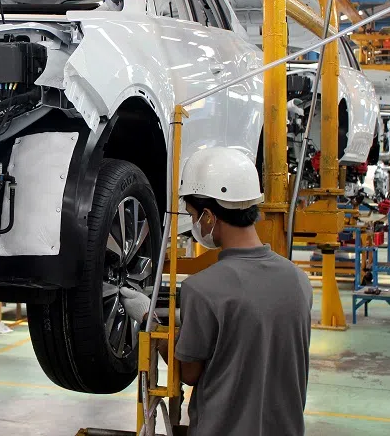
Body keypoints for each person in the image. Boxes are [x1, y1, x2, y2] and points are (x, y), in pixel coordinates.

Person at [120, 147, 313, 436]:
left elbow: (189, 372)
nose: (194, 225)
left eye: (193, 216)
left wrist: (150, 319)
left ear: (209, 217)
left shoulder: (203, 289)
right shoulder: (300, 282)